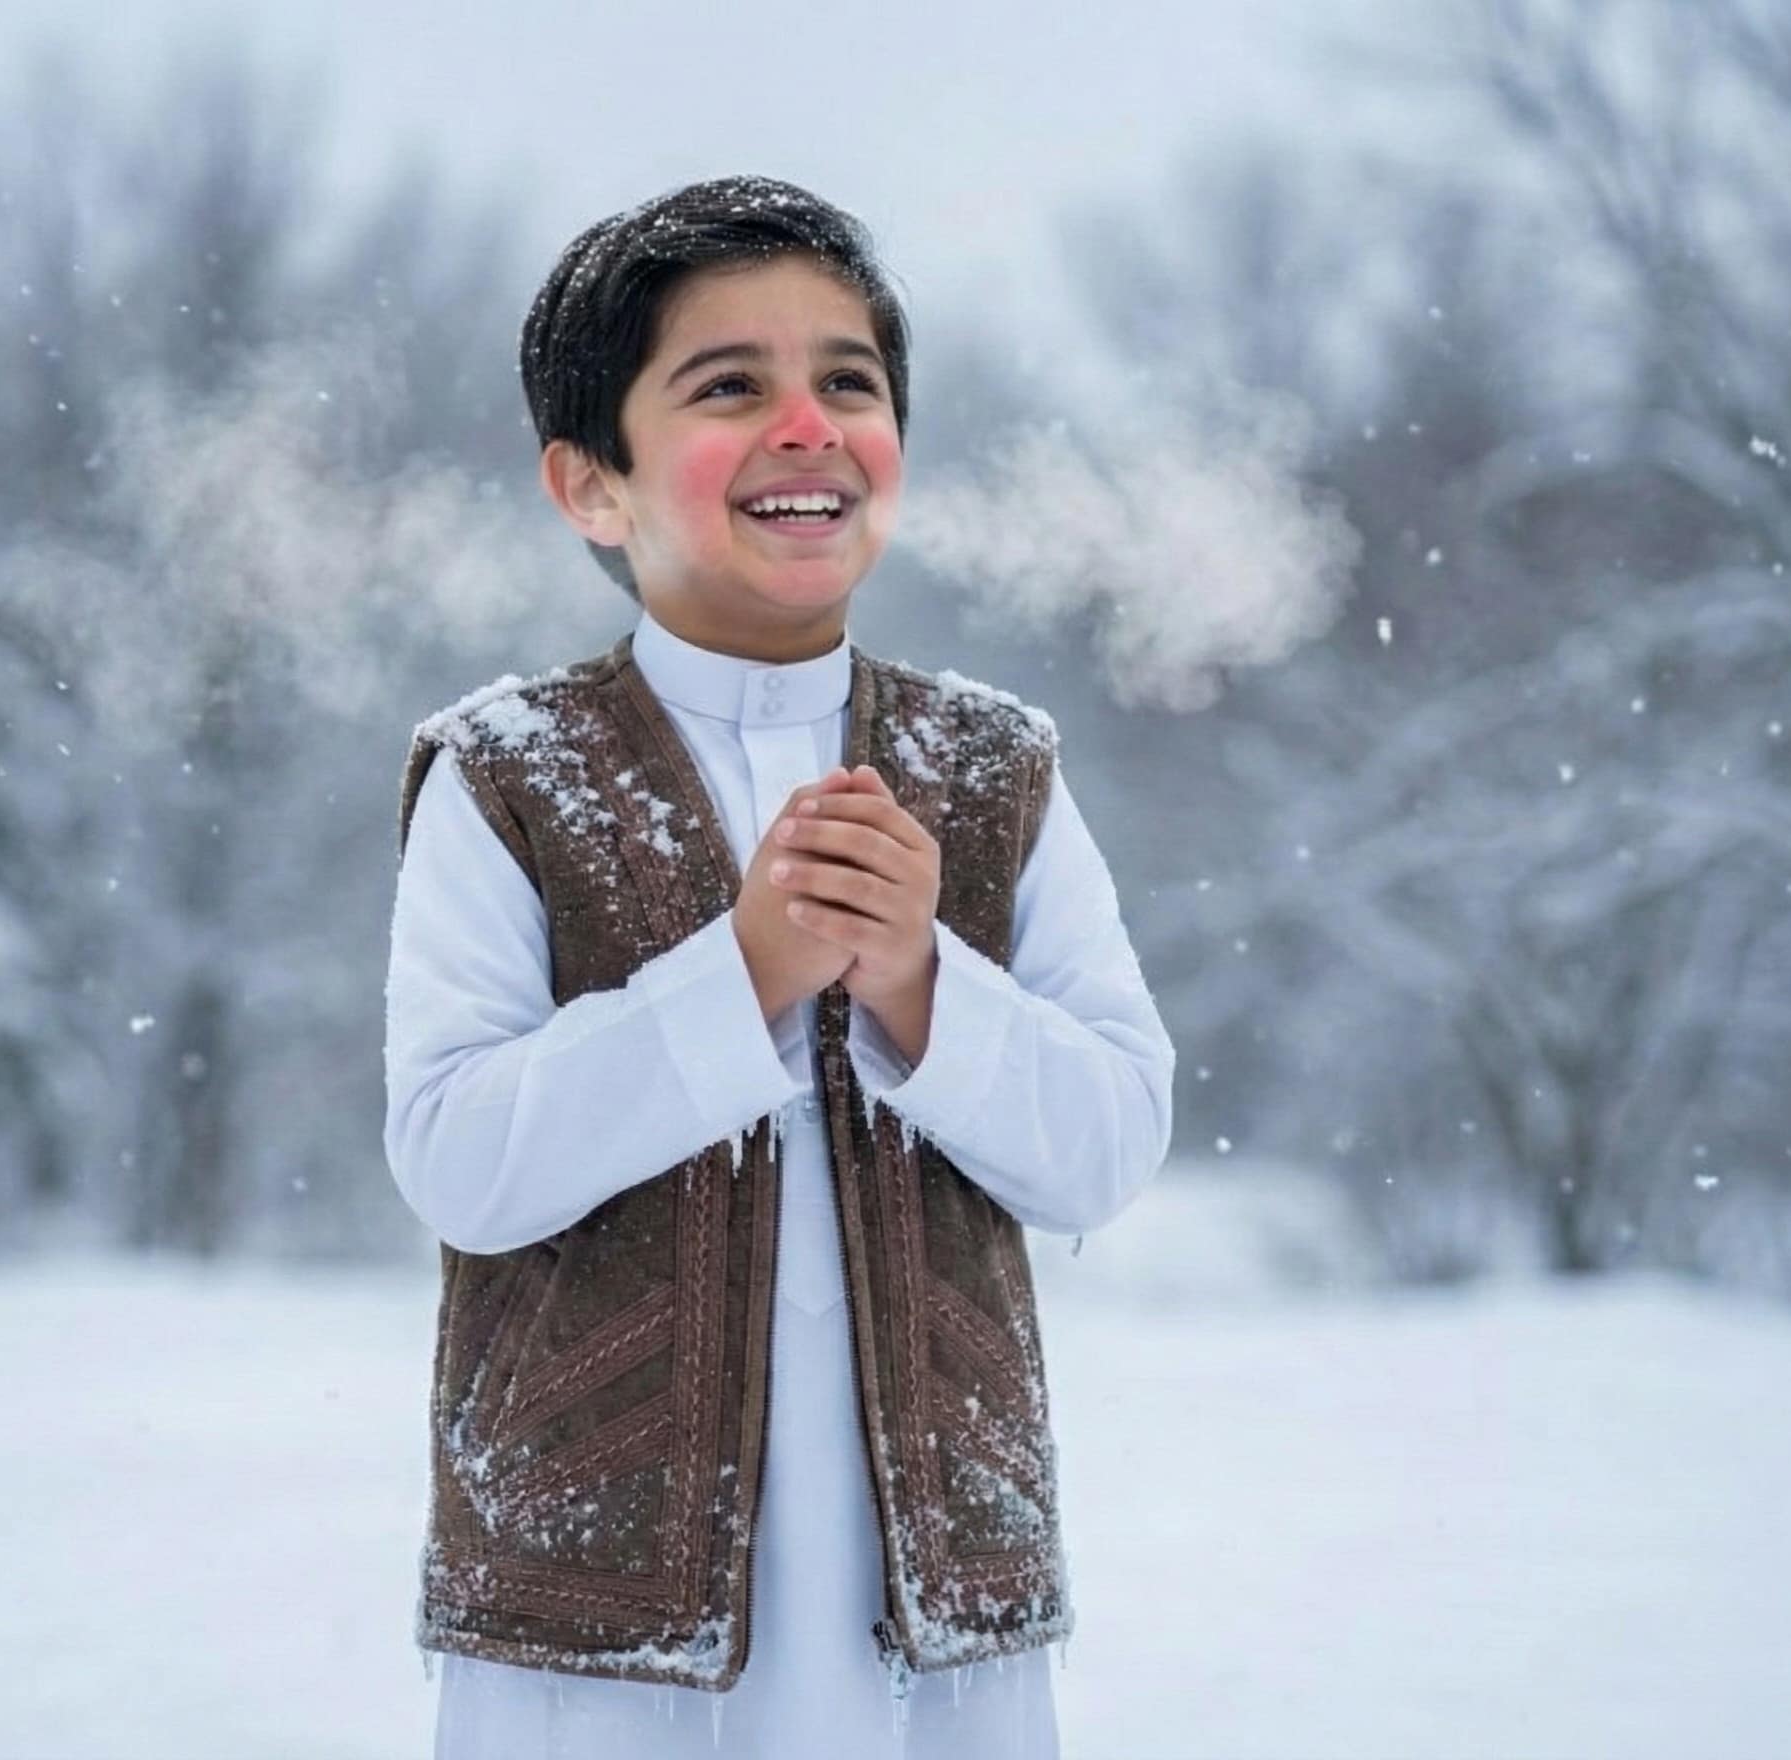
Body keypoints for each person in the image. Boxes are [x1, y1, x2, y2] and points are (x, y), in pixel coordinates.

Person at [382, 174, 1175, 1759]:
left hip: (929, 1617)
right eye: (728, 385)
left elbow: (1106, 1149)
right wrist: (737, 974)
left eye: (849, 382)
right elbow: (461, 1163)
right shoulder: (503, 773)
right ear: (589, 484)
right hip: (594, 1629)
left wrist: (917, 983)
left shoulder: (992, 766)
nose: (804, 425)